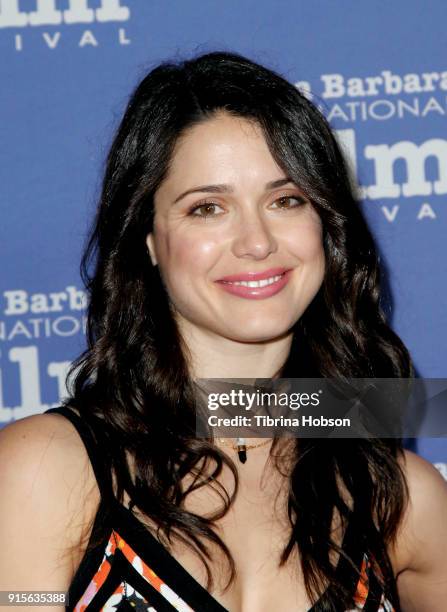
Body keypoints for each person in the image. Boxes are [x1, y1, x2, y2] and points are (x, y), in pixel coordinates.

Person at [1, 51, 446, 612]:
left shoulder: (398, 498)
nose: (257, 242)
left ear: (326, 225)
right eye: (207, 208)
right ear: (148, 240)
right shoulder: (43, 471)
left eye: (286, 200)